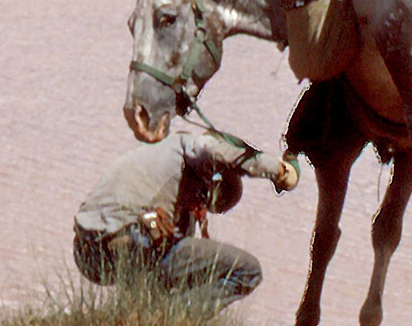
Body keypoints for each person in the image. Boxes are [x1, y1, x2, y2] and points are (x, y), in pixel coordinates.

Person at [73, 127, 298, 306]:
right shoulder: (192, 147)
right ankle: (169, 321)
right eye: (204, 197)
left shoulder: (159, 153)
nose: (200, 203)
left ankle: (141, 312)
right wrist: (280, 171)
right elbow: (213, 150)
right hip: (124, 244)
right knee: (247, 270)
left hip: (88, 253)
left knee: (172, 245)